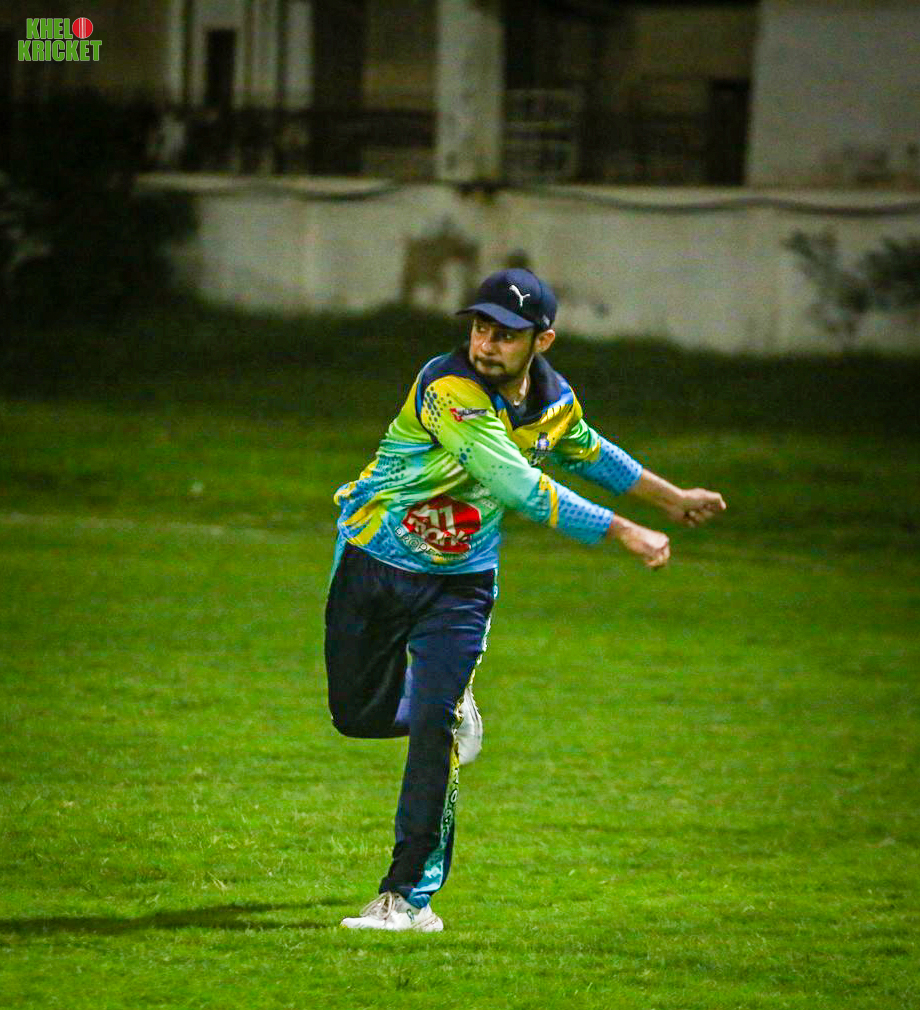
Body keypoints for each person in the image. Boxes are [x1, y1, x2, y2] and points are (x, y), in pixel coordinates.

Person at [325, 268, 726, 932]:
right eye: (481, 328)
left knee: (432, 728)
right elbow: (516, 485)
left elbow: (590, 452)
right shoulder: (447, 390)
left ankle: (406, 897)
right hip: (375, 561)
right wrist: (623, 530)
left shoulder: (553, 403)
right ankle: (448, 712)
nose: (487, 344)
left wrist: (672, 498)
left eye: (506, 334)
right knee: (356, 714)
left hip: (460, 584)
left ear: (543, 341)